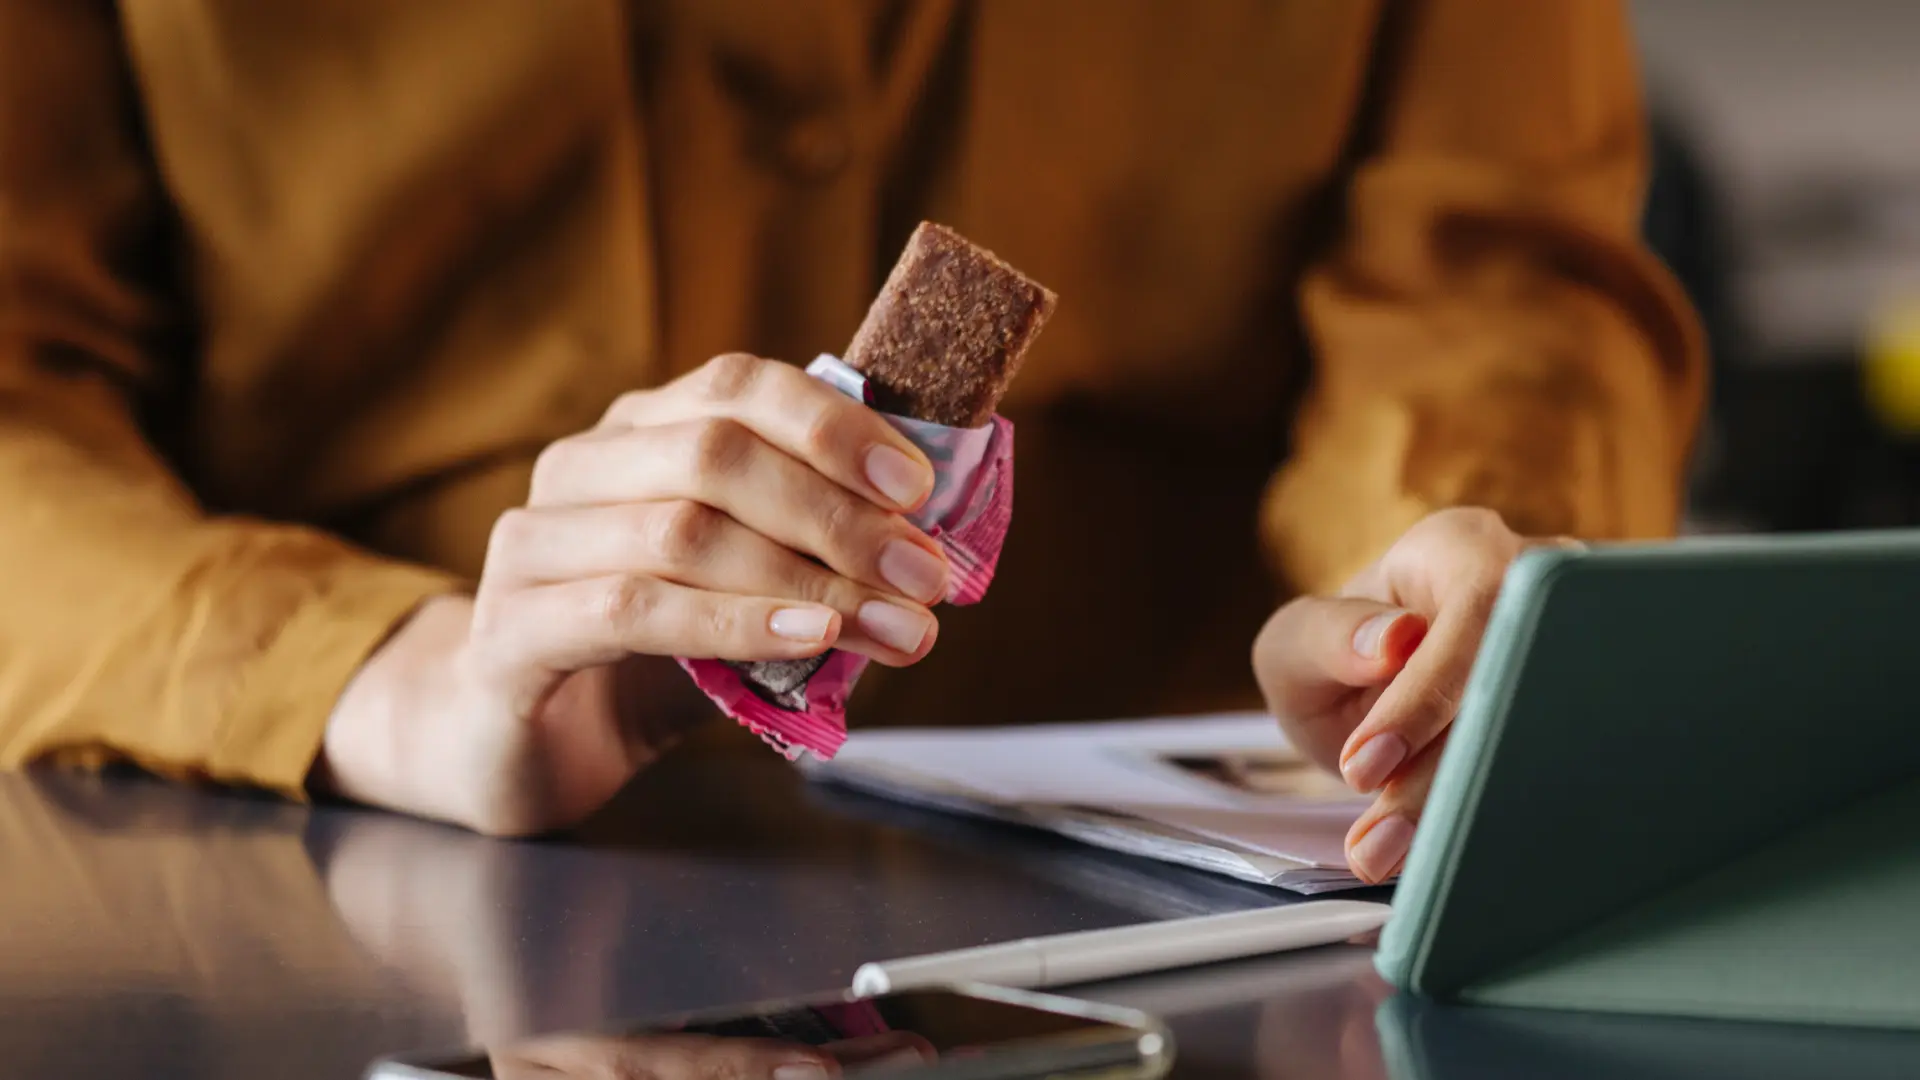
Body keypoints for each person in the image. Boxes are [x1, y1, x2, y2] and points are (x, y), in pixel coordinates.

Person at [0, 0, 1702, 882]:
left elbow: (1496, 282)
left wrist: (1447, 581)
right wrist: (388, 675)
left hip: (1223, 915)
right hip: (319, 866)